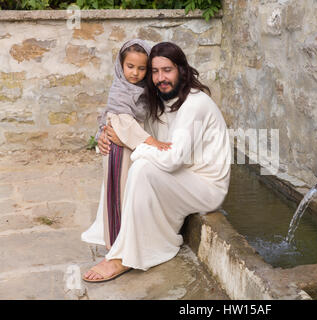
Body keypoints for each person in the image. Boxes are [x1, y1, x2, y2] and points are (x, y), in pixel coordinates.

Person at [82, 42, 231, 282]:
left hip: (206, 187)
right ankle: (118, 231)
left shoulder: (195, 104)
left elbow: (172, 160)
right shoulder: (160, 101)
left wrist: (133, 143)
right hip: (182, 177)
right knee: (119, 152)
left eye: (167, 70)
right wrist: (105, 135)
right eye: (154, 71)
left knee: (142, 166)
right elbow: (131, 127)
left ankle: (126, 256)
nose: (160, 78)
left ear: (182, 70)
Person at [81, 39, 172, 252]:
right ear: (121, 66)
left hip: (130, 145)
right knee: (118, 193)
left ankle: (133, 238)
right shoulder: (121, 89)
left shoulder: (143, 89)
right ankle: (115, 243)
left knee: (131, 191)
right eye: (130, 66)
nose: (135, 73)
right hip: (117, 149)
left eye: (142, 68)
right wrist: (153, 142)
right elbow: (120, 121)